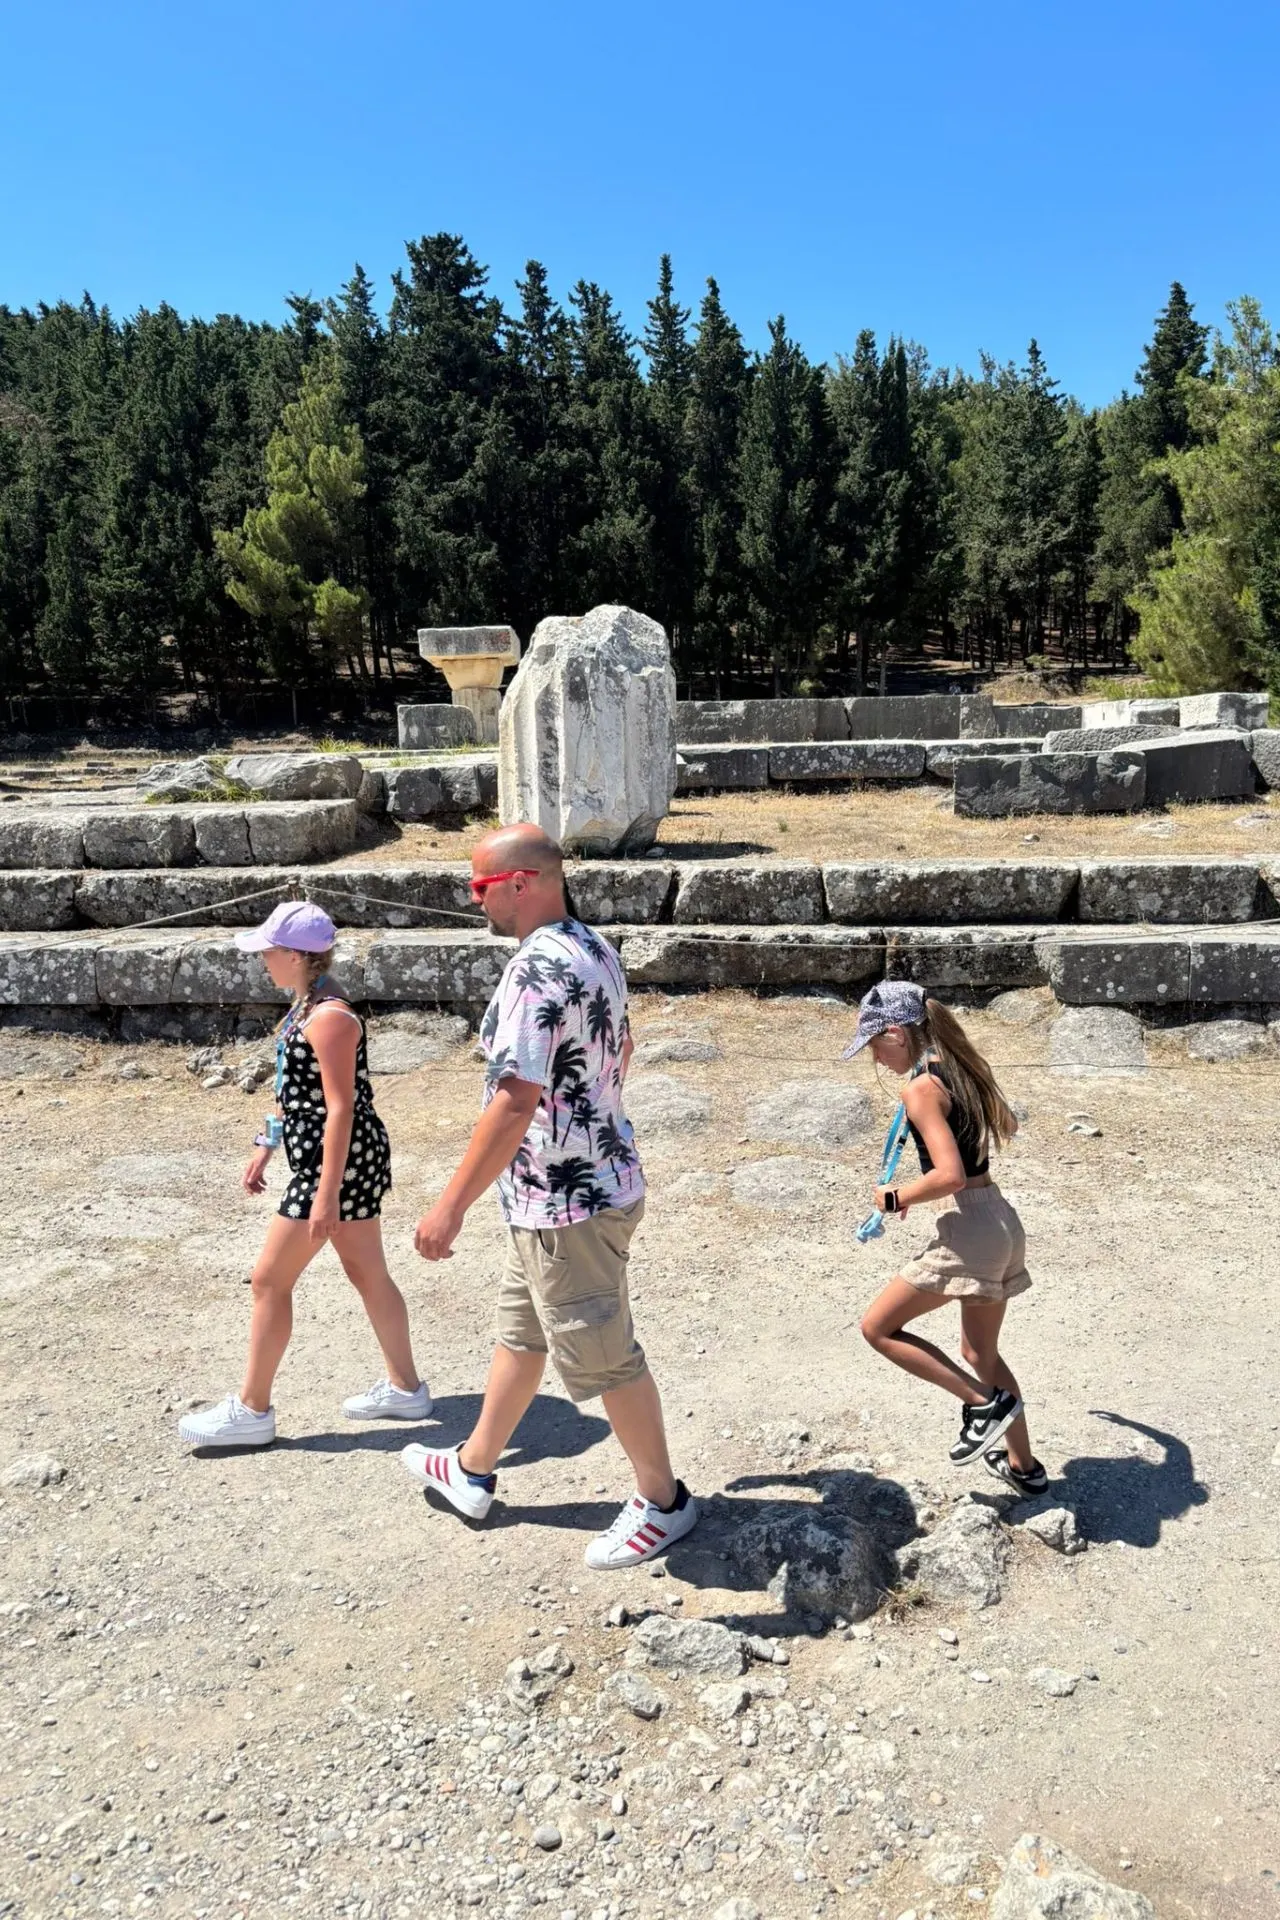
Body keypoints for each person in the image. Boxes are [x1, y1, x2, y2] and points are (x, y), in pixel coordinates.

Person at [401, 824, 698, 1570]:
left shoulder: (536, 970)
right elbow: (618, 1050)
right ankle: (472, 1467)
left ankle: (665, 1503)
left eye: (481, 888)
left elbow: (513, 1102)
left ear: (522, 882)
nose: (476, 903)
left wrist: (450, 1207)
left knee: (605, 1358)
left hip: (567, 1204)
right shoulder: (593, 947)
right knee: (523, 1334)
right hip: (581, 1183)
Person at [179, 901, 430, 1448]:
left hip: (337, 1165)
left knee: (270, 1280)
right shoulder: (308, 1004)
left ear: (294, 956)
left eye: (269, 952)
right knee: (368, 1274)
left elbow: (340, 1108)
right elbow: (300, 1094)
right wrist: (266, 1143)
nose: (262, 960)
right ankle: (407, 1389)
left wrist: (326, 1194)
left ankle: (252, 1409)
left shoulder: (331, 1017)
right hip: (333, 1160)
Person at [849, 980, 1046, 1495]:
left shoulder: (920, 1088)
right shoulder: (960, 1069)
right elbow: (1006, 1124)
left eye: (874, 1044)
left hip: (970, 1229)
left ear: (896, 1033)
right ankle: (1025, 1468)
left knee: (878, 1328)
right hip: (1000, 1219)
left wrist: (898, 1197)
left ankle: (983, 1407)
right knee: (981, 1354)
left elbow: (951, 1175)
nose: (875, 1057)